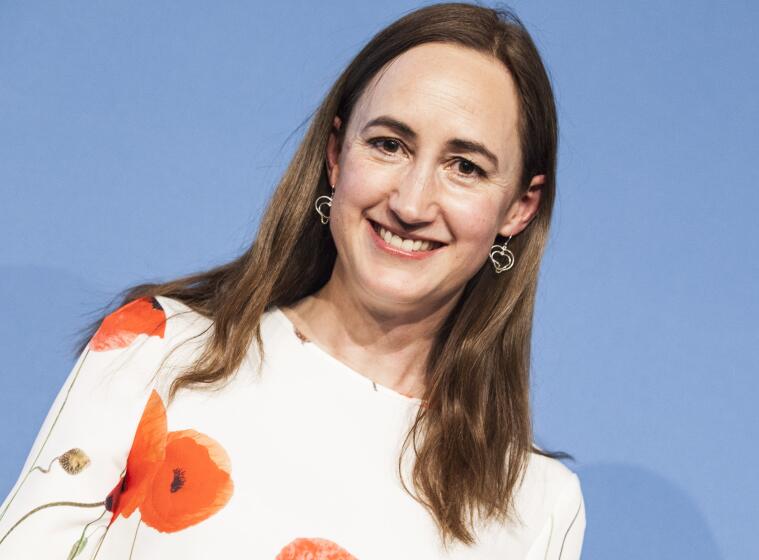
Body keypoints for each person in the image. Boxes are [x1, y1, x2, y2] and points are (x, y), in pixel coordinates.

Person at [0, 2, 585, 558]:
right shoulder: (158, 350)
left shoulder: (537, 506)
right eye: (388, 145)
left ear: (519, 208)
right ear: (336, 155)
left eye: (465, 167)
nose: (411, 202)